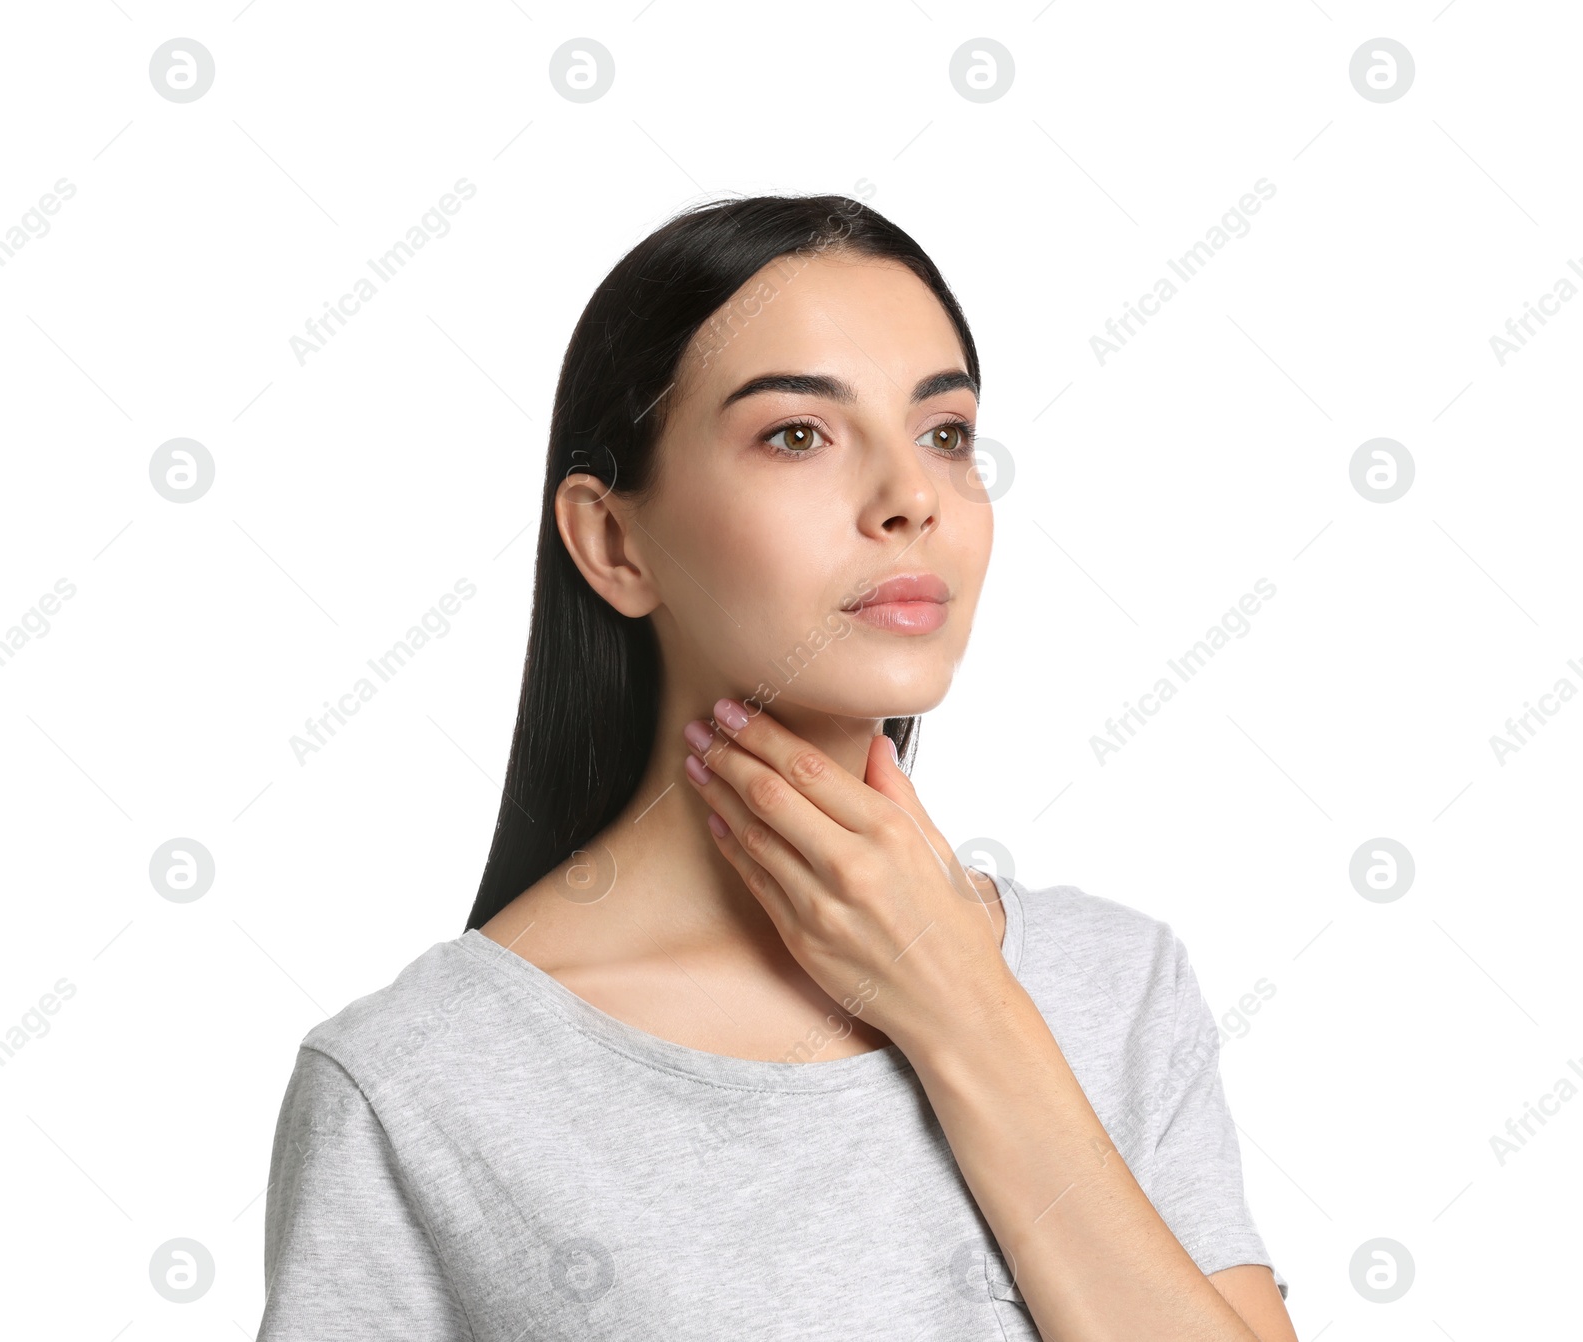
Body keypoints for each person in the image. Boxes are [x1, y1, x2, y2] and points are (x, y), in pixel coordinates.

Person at [256, 193, 1294, 1341]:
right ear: (612, 540)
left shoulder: (1117, 987)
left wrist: (963, 1008)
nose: (910, 499)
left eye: (945, 433)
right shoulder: (417, 1083)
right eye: (797, 434)